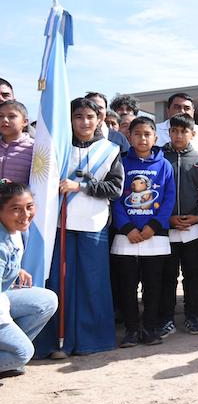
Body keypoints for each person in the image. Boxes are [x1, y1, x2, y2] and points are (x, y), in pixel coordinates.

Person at [34, 98, 122, 359]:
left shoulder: (110, 149)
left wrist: (81, 187)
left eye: (90, 116)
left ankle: (91, 340)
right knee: (60, 282)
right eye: (78, 116)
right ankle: (58, 340)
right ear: (70, 119)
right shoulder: (58, 148)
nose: (84, 122)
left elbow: (115, 189)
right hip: (60, 225)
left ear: (99, 120)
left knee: (93, 284)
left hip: (93, 226)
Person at [111, 116, 176, 347]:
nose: (142, 138)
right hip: (126, 236)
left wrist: (154, 226)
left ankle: (149, 329)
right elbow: (115, 197)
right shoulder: (119, 162)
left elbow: (169, 198)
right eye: (137, 134)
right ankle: (130, 330)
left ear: (155, 137)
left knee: (153, 287)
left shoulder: (165, 165)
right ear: (129, 137)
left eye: (147, 134)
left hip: (154, 237)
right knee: (127, 287)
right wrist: (127, 227)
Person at [0, 182, 57, 378]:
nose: (25, 214)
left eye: (29, 206)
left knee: (46, 300)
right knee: (23, 353)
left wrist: (16, 270)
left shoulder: (16, 229)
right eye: (16, 209)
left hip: (3, 296)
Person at [162, 114, 198, 336]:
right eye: (175, 131)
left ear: (193, 134)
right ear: (169, 132)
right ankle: (166, 318)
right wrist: (167, 218)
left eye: (184, 131)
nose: (179, 135)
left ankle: (195, 316)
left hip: (193, 229)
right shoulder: (160, 158)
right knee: (167, 276)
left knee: (194, 275)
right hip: (166, 228)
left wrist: (197, 216)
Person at [155, 93, 198, 158]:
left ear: (193, 112)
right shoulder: (155, 131)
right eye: (177, 107)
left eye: (186, 108)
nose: (182, 111)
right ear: (168, 110)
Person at [0, 101, 34, 184]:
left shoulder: (34, 148)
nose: (4, 120)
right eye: (0, 116)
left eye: (11, 116)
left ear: (25, 122)